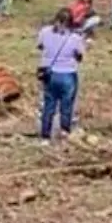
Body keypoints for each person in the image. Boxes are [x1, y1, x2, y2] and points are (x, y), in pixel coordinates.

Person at [36, 8, 87, 144]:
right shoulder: (75, 38)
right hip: (68, 74)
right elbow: (80, 56)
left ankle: (45, 137)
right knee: (67, 105)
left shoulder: (45, 32)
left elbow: (40, 46)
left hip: (49, 73)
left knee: (48, 105)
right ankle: (65, 133)